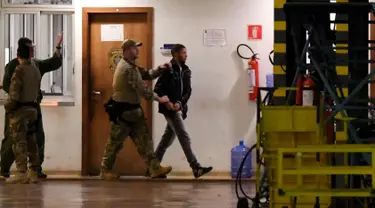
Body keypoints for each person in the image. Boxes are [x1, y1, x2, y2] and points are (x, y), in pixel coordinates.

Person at [100, 39, 173, 180]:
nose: (137, 50)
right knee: (114, 143)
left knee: (144, 142)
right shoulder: (127, 68)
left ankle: (155, 169)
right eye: (134, 47)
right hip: (123, 113)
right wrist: (160, 99)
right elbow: (142, 89)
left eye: (137, 47)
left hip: (133, 112)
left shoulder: (131, 65)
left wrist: (160, 69)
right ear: (126, 50)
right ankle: (105, 171)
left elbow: (146, 74)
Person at [1, 35, 63, 179]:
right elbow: (7, 86)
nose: (33, 50)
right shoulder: (13, 66)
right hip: (18, 108)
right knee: (12, 139)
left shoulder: (34, 65)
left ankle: (35, 169)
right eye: (31, 48)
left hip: (31, 108)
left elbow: (53, 63)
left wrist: (58, 47)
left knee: (36, 138)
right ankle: (4, 169)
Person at [153, 44, 213, 178]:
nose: (186, 55)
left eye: (186, 52)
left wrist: (180, 103)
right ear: (175, 54)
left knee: (166, 140)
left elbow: (188, 91)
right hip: (169, 110)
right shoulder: (168, 69)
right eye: (183, 53)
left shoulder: (186, 70)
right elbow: (158, 89)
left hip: (179, 108)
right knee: (183, 136)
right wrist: (168, 102)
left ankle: (153, 167)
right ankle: (195, 167)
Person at [4, 43, 42, 184]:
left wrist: (8, 107)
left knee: (19, 142)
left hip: (20, 111)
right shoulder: (35, 69)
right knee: (32, 141)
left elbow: (14, 94)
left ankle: (21, 172)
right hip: (33, 110)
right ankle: (34, 171)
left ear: (17, 55)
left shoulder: (19, 70)